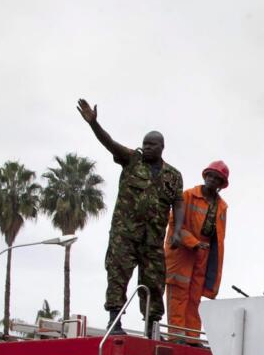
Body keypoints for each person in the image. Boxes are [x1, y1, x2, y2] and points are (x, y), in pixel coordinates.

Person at [77, 99, 184, 336]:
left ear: (161, 147)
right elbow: (110, 144)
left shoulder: (173, 176)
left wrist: (177, 231)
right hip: (125, 235)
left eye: (151, 144)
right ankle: (115, 321)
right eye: (144, 143)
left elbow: (178, 202)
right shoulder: (131, 159)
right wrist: (94, 124)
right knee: (118, 275)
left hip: (153, 239)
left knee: (154, 283)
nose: (146, 147)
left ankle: (152, 326)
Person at [165, 161, 229, 340]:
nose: (212, 180)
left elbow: (219, 238)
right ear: (205, 176)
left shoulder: (222, 207)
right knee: (178, 294)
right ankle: (176, 335)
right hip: (183, 253)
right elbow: (174, 223)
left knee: (195, 297)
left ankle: (192, 337)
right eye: (210, 176)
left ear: (221, 184)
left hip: (204, 254)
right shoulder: (187, 196)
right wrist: (193, 242)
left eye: (217, 178)